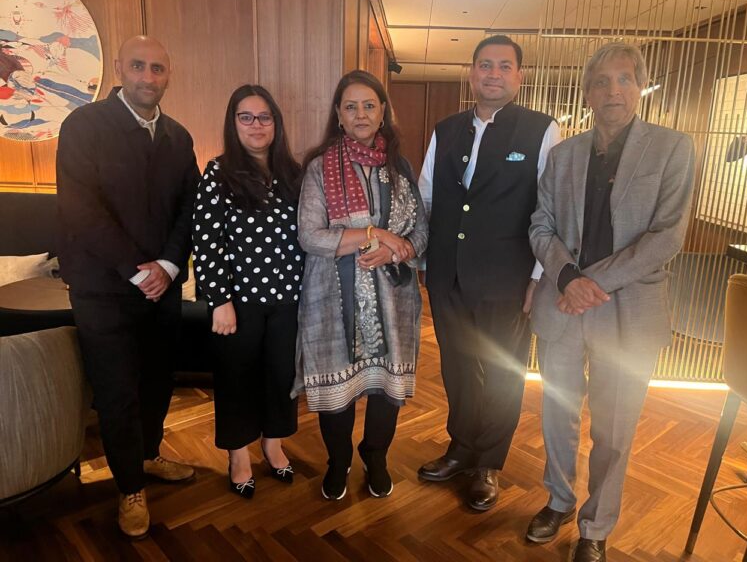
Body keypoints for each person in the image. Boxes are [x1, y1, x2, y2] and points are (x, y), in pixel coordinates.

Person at [526, 42, 695, 562]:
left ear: (641, 87)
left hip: (629, 312)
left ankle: (595, 528)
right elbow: (540, 226)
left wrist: (589, 283)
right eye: (602, 81)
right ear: (588, 92)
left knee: (615, 425)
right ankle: (558, 499)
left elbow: (666, 237)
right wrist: (568, 277)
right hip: (563, 306)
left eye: (624, 79)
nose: (613, 90)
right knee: (557, 415)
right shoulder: (563, 155)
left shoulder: (673, 148)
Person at [56, 36, 199, 538]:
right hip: (103, 289)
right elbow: (80, 209)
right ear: (120, 67)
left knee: (159, 382)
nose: (148, 77)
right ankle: (129, 488)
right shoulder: (84, 126)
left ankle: (148, 456)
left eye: (158, 68)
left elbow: (189, 210)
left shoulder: (179, 138)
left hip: (161, 287)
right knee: (118, 393)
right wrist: (136, 269)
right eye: (138, 66)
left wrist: (167, 265)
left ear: (168, 75)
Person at [416, 35, 560, 511]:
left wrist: (539, 276)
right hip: (448, 275)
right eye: (484, 65)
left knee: (502, 371)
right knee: (457, 366)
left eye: (504, 66)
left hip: (508, 278)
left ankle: (488, 464)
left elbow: (550, 210)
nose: (493, 73)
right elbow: (427, 197)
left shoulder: (542, 130)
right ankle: (460, 447)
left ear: (519, 76)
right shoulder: (446, 128)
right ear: (471, 73)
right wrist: (423, 260)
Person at [293, 70, 428, 501]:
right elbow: (309, 235)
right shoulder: (318, 168)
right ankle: (338, 461)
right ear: (338, 114)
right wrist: (375, 235)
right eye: (350, 106)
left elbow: (422, 233)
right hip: (333, 299)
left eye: (369, 105)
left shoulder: (401, 168)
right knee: (338, 392)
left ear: (383, 111)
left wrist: (396, 248)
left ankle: (376, 458)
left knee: (386, 391)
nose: (361, 114)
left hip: (393, 298)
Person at [192, 84, 303, 499]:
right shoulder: (218, 172)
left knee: (280, 375)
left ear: (276, 123)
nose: (257, 125)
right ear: (233, 122)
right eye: (246, 117)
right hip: (237, 302)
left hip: (289, 298)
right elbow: (207, 241)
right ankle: (238, 453)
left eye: (265, 117)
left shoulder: (293, 173)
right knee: (236, 378)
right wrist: (218, 300)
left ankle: (273, 443)